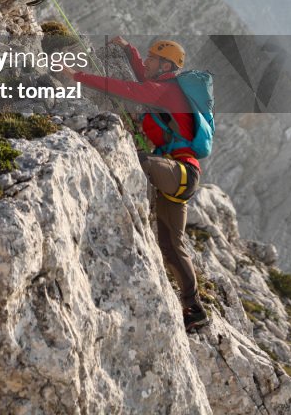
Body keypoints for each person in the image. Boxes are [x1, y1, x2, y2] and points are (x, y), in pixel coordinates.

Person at [71, 37, 209, 332]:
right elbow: (143, 77)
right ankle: (195, 311)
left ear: (166, 66)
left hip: (179, 172)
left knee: (138, 163)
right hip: (179, 177)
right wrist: (129, 51)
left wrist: (76, 76)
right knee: (171, 248)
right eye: (146, 58)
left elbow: (131, 89)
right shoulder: (165, 87)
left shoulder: (166, 91)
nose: (146, 63)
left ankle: (193, 306)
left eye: (152, 59)